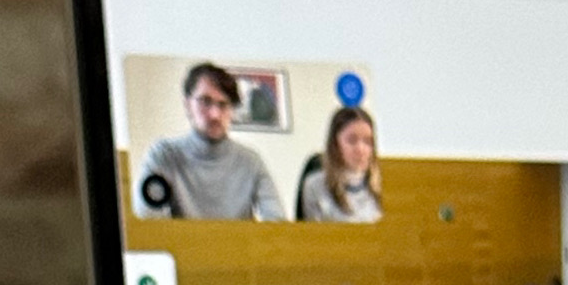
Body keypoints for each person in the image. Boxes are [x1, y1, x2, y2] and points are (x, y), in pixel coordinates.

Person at [133, 62, 285, 221]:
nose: (215, 115)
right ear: (187, 104)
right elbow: (148, 221)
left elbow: (277, 222)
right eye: (205, 101)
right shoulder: (163, 155)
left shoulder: (251, 162)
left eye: (223, 104)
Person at [300, 106, 383, 223]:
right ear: (335, 144)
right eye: (352, 141)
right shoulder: (315, 185)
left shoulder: (385, 184)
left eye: (368, 141)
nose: (361, 149)